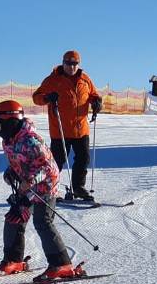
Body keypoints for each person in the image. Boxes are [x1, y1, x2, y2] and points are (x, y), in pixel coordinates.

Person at [0, 100, 81, 282]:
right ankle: (14, 260)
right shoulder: (9, 141)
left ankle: (62, 264)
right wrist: (11, 172)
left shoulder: (31, 140)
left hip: (46, 186)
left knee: (42, 221)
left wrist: (31, 180)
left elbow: (48, 168)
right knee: (14, 218)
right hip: (28, 187)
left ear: (10, 122)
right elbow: (19, 161)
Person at [31, 50, 103, 202]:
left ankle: (78, 187)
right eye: (68, 63)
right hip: (60, 130)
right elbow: (36, 97)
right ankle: (50, 190)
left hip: (81, 129)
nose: (71, 67)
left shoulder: (85, 79)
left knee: (83, 159)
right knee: (56, 162)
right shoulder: (53, 80)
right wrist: (47, 97)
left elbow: (93, 94)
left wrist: (97, 102)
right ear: (63, 63)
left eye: (75, 64)